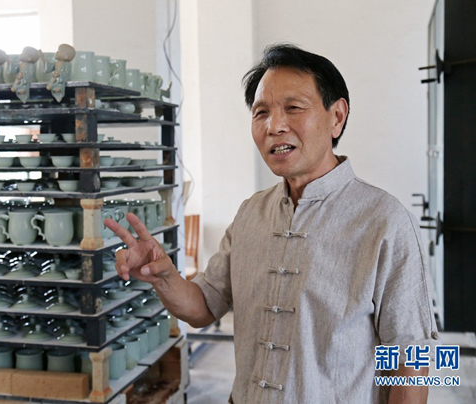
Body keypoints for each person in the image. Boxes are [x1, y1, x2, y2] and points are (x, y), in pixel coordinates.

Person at [104, 44, 438, 404]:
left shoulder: (384, 222)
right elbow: (204, 307)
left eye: (293, 108)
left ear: (337, 117)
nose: (274, 126)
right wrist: (163, 276)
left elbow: (412, 359)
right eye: (261, 112)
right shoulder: (251, 213)